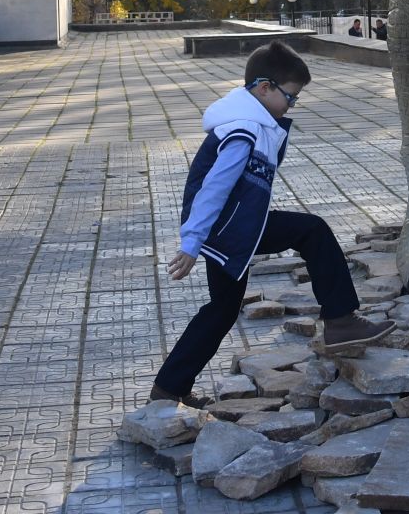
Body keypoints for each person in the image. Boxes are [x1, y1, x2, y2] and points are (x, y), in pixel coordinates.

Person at [151, 40, 393, 404]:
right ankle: (341, 321)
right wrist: (191, 241)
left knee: (222, 309)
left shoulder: (255, 122)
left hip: (233, 227)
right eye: (291, 97)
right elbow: (213, 189)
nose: (292, 105)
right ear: (264, 88)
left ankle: (168, 388)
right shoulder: (244, 129)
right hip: (229, 229)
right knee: (312, 230)